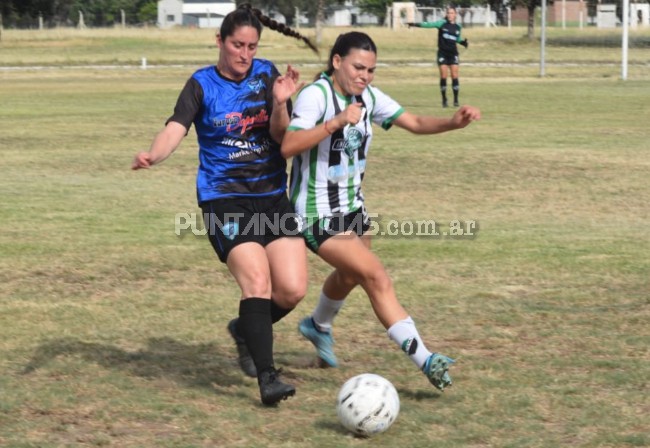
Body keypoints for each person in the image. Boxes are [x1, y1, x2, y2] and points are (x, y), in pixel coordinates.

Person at [132, 4, 318, 406]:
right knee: (257, 282)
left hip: (271, 196)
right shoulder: (201, 84)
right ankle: (268, 378)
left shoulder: (267, 74)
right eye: (237, 45)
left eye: (252, 46)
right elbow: (175, 129)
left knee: (291, 290)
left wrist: (282, 102)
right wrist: (153, 155)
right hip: (224, 199)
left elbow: (280, 137)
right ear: (219, 41)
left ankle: (244, 329)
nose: (245, 54)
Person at [281, 31, 480, 391]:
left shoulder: (368, 98)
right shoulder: (316, 96)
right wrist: (336, 122)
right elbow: (288, 145)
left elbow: (414, 122)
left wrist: (453, 122)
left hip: (353, 209)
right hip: (315, 211)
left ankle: (318, 325)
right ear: (337, 61)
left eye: (371, 70)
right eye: (358, 67)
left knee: (351, 276)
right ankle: (426, 359)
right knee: (376, 277)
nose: (365, 76)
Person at [408, 7, 468, 108]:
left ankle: (456, 100)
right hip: (442, 53)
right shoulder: (441, 23)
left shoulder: (458, 26)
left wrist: (463, 42)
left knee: (454, 75)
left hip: (453, 54)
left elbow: (457, 38)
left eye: (452, 13)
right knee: (444, 76)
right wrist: (415, 24)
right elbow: (428, 25)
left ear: (455, 15)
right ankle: (444, 99)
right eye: (448, 13)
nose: (450, 15)